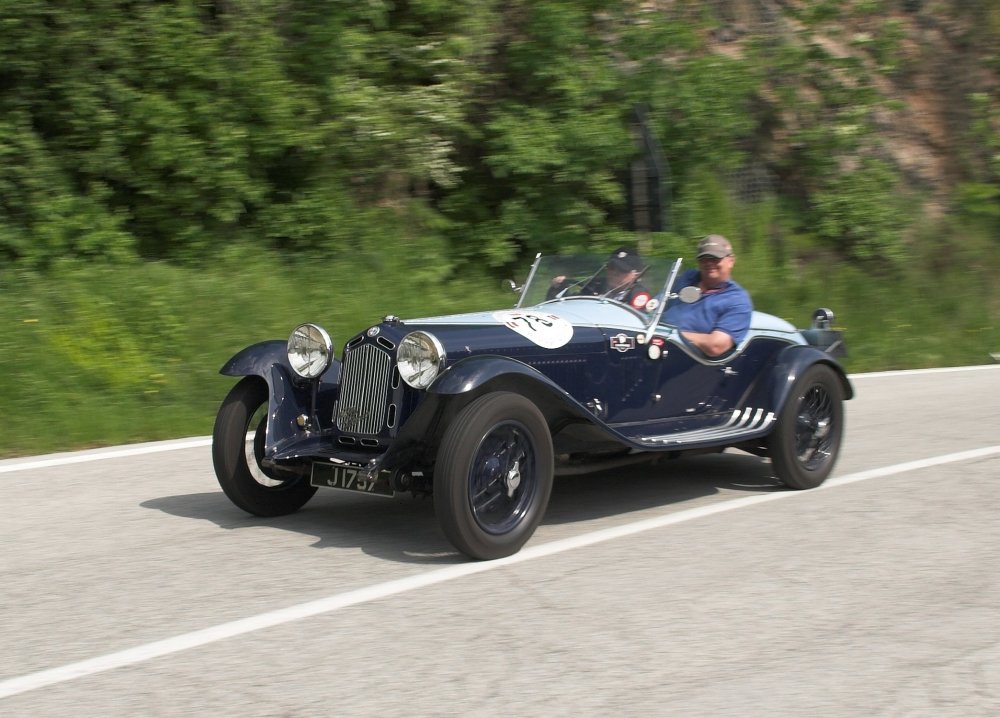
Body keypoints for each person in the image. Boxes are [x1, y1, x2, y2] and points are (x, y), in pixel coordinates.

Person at [662, 234, 752, 357]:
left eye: (715, 258)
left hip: (688, 363)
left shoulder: (737, 300)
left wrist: (671, 335)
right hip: (655, 348)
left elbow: (716, 346)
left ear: (731, 261)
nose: (709, 263)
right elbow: (657, 303)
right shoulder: (687, 277)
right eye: (704, 258)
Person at [549, 247, 652, 311]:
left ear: (636, 274)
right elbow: (572, 305)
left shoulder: (639, 296)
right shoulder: (595, 285)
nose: (615, 273)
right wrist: (557, 288)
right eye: (611, 267)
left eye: (622, 270)